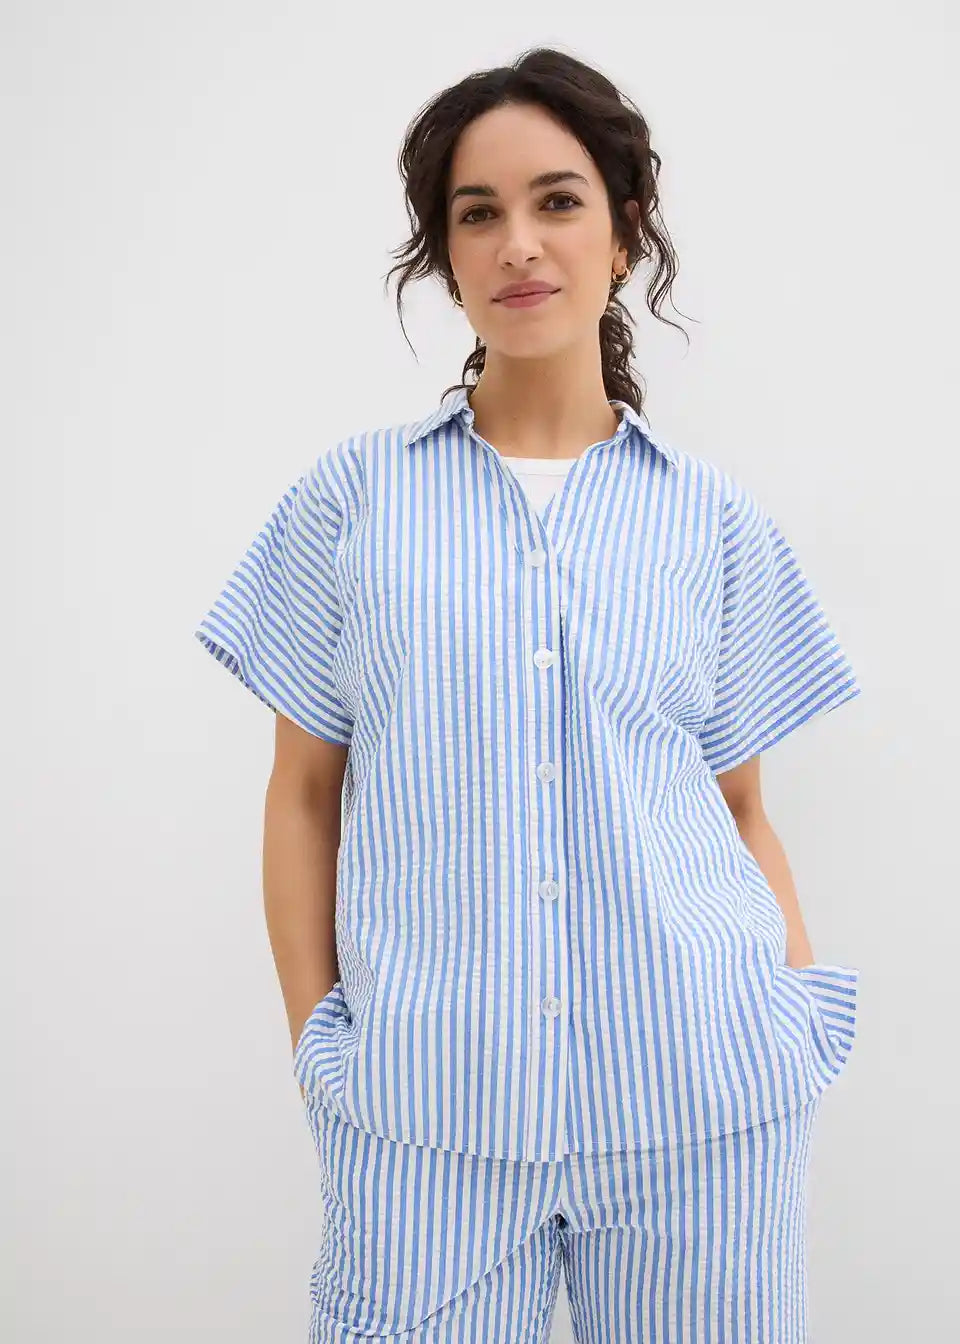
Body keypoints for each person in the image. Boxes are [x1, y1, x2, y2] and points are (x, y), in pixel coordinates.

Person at [194, 46, 862, 1344]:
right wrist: (321, 1049)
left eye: (558, 201)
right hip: (426, 1125)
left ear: (625, 232)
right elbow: (304, 795)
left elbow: (740, 810)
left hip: (702, 1112)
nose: (518, 244)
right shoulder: (351, 501)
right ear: (444, 256)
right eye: (477, 212)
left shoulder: (713, 524)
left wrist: (787, 1021)